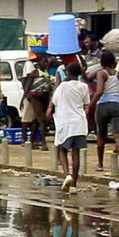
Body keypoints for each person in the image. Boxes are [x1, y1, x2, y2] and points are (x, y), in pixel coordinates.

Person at [47, 62, 90, 191]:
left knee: (62, 149)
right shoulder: (84, 86)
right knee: (76, 153)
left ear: (68, 73)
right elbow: (86, 103)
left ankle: (67, 175)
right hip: (79, 123)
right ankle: (74, 184)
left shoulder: (63, 86)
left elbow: (55, 101)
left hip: (65, 122)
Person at [90, 51, 119, 173]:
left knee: (101, 136)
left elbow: (99, 91)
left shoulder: (101, 73)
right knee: (118, 135)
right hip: (117, 105)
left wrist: (91, 105)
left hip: (103, 105)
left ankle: (100, 164)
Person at [22, 53, 54, 150]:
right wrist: (23, 99)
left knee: (37, 121)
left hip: (44, 98)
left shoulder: (47, 73)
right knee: (41, 119)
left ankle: (32, 141)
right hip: (35, 97)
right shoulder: (35, 73)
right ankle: (43, 142)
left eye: (46, 62)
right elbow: (27, 87)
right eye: (44, 62)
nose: (46, 64)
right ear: (39, 63)